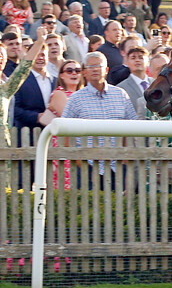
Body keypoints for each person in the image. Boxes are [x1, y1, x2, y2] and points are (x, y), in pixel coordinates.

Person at [63, 51, 138, 189]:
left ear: (107, 70)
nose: (95, 69)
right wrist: (79, 161)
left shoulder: (120, 94)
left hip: (118, 166)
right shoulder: (75, 99)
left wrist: (126, 160)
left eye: (99, 65)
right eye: (91, 67)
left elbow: (132, 127)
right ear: (84, 72)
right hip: (87, 166)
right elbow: (64, 132)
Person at [0, 27, 47, 145]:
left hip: (4, 147)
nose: (0, 58)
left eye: (2, 55)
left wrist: (40, 41)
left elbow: (24, 67)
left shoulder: (6, 88)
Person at [47, 58, 84, 189]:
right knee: (66, 187)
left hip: (82, 144)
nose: (74, 73)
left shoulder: (84, 94)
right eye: (69, 70)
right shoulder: (59, 93)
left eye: (77, 70)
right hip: (65, 145)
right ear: (62, 75)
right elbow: (69, 118)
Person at [14, 36, 55, 131]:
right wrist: (37, 117)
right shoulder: (20, 80)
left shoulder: (55, 80)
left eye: (43, 55)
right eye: (36, 55)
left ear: (48, 58)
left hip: (52, 134)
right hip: (28, 133)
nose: (40, 58)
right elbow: (15, 109)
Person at [116, 45, 151, 118]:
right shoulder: (121, 89)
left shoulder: (156, 83)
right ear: (127, 62)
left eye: (141, 57)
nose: (137, 60)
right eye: (133, 58)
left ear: (148, 62)